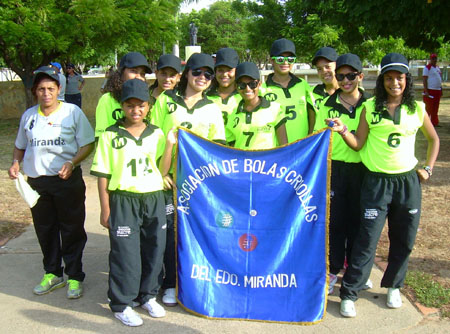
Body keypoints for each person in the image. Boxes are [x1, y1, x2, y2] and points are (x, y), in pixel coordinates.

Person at [326, 53, 439, 318]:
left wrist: (428, 168)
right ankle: (349, 293)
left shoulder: (416, 108)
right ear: (382, 81)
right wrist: (343, 130)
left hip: (407, 182)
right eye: (389, 78)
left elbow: (434, 140)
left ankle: (393, 286)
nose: (394, 83)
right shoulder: (370, 107)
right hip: (376, 182)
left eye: (399, 77)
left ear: (406, 79)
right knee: (366, 239)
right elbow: (359, 144)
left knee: (404, 239)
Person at [8, 66, 94, 299]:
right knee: (45, 229)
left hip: (66, 180)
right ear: (35, 91)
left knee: (72, 229)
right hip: (37, 183)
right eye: (41, 89)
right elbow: (20, 146)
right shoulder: (29, 116)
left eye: (51, 88)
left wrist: (73, 163)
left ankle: (75, 276)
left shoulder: (72, 112)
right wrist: (16, 163)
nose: (46, 93)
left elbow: (88, 144)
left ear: (59, 90)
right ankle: (53, 274)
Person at [91, 79, 171, 327]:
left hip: (153, 197)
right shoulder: (109, 135)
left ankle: (146, 296)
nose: (136, 111)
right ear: (122, 107)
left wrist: (169, 145)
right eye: (130, 106)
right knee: (125, 254)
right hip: (124, 199)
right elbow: (103, 175)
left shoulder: (156, 132)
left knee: (154, 249)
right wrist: (106, 209)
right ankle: (121, 303)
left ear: (148, 107)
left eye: (141, 106)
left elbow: (162, 169)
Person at [151, 53, 226, 306]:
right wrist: (160, 173)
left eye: (208, 74)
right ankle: (170, 282)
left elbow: (217, 148)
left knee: (195, 232)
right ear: (186, 74)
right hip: (167, 179)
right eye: (197, 72)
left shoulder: (212, 108)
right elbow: (153, 139)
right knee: (170, 233)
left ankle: (192, 281)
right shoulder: (165, 100)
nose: (203, 78)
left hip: (197, 183)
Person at [314, 53, 371, 294]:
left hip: (364, 169)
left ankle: (355, 271)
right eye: (341, 76)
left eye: (351, 75)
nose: (345, 80)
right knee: (335, 222)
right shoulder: (326, 105)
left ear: (361, 76)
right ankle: (333, 269)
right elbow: (319, 137)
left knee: (359, 223)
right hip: (335, 168)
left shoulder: (371, 105)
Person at [260, 38, 315, 143]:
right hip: (275, 150)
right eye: (280, 59)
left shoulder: (303, 85)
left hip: (301, 148)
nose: (285, 62)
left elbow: (312, 113)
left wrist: (310, 138)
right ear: (271, 60)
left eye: (290, 59)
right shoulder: (262, 89)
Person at [226, 62, 287, 149]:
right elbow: (231, 150)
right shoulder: (233, 115)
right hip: (242, 162)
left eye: (252, 84)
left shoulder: (275, 109)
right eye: (242, 85)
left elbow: (284, 146)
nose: (248, 89)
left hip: (267, 162)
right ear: (236, 87)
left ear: (259, 84)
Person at [94, 52, 152, 139]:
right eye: (133, 71)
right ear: (121, 72)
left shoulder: (147, 100)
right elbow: (101, 138)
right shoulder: (107, 100)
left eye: (142, 74)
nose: (138, 77)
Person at [207, 47, 241, 125]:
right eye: (220, 70)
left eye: (229, 70)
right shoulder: (206, 97)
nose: (224, 74)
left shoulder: (244, 97)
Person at [423, 53, 442, 127]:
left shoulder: (437, 68)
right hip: (430, 90)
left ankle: (434, 122)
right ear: (430, 59)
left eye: (435, 58)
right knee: (429, 107)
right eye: (433, 58)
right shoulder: (427, 68)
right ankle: (426, 123)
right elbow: (424, 79)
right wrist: (426, 91)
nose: (434, 60)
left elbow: (439, 79)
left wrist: (441, 90)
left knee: (435, 107)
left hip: (437, 90)